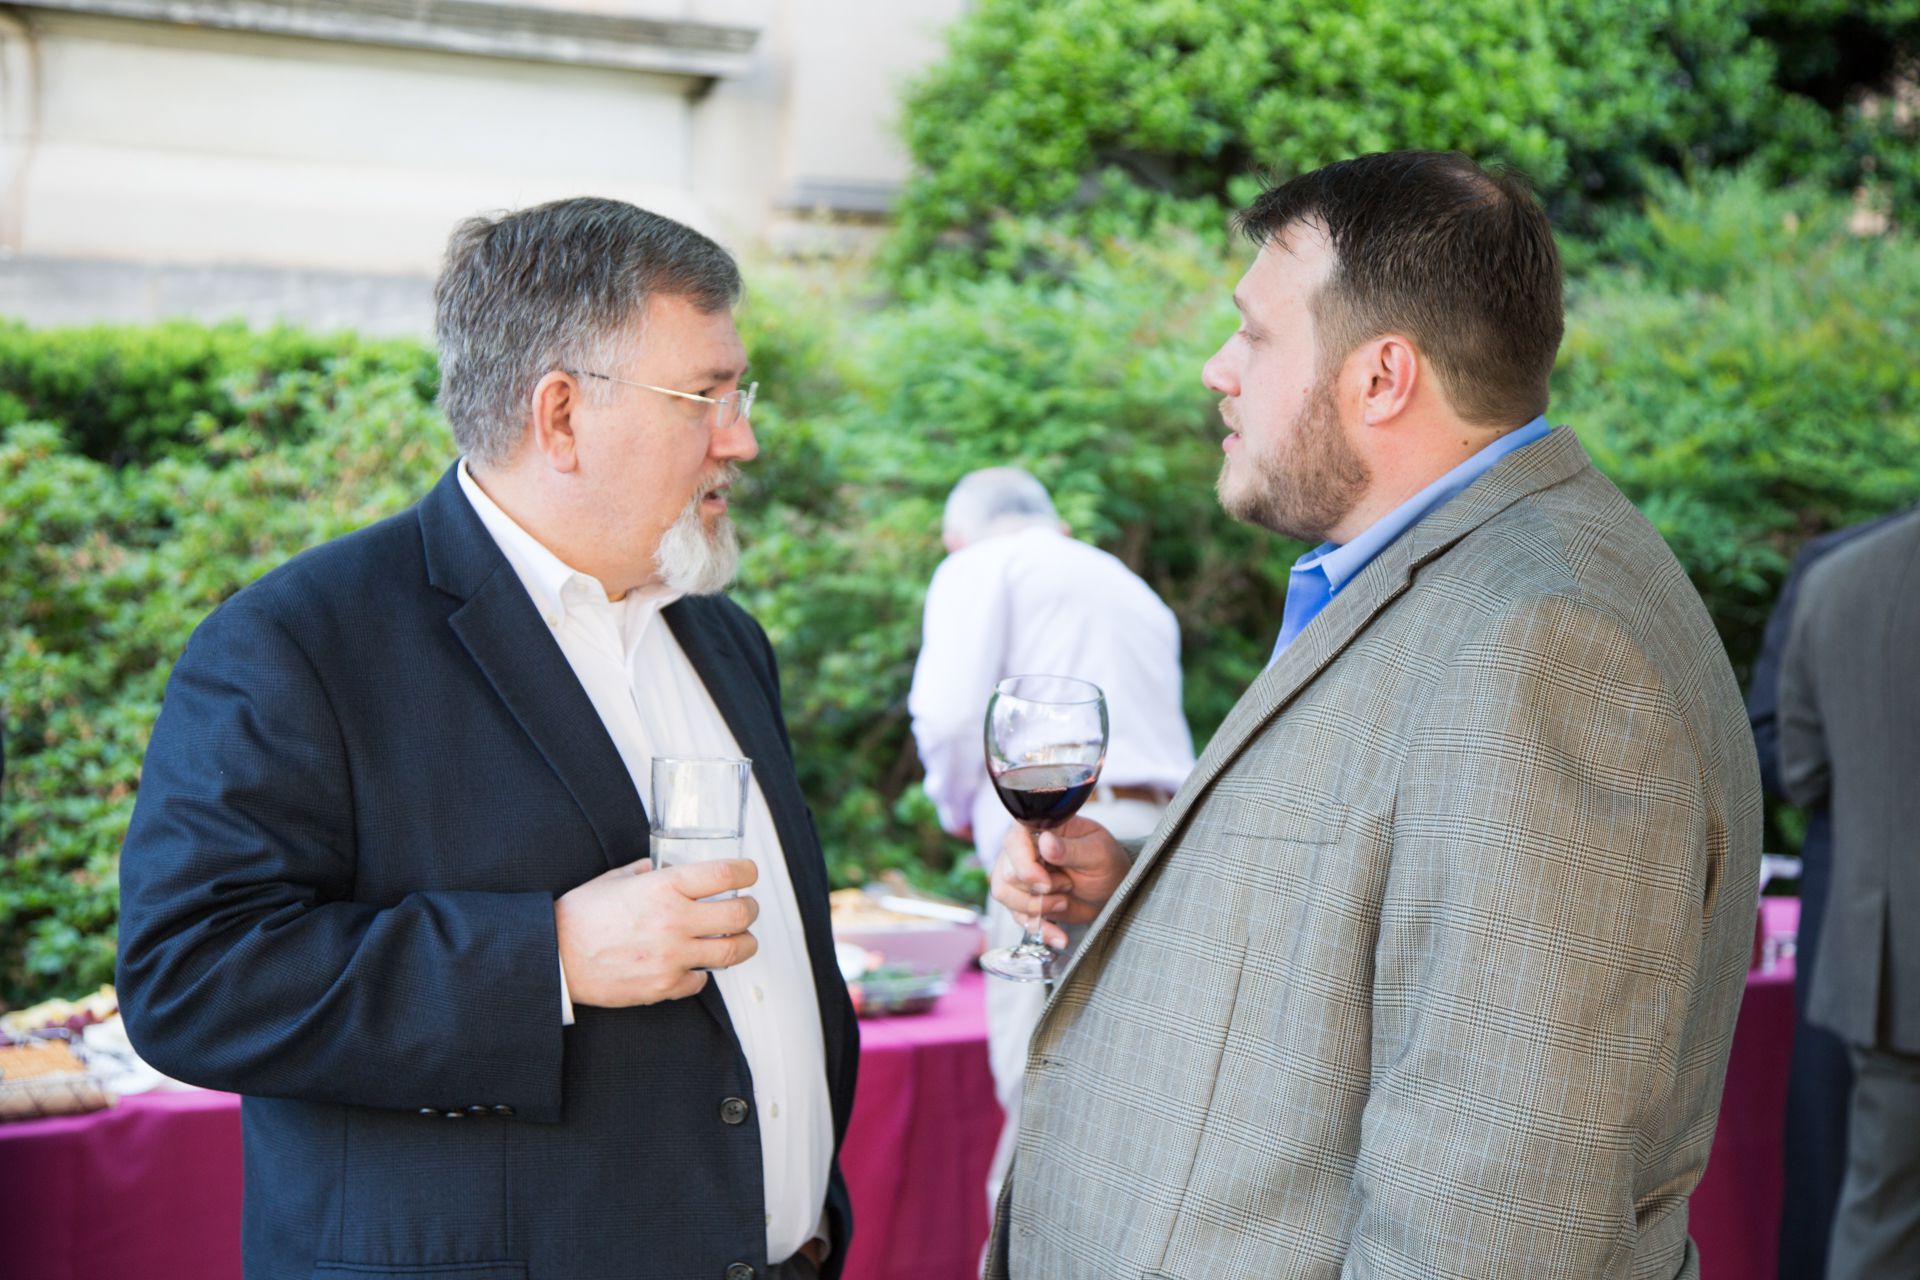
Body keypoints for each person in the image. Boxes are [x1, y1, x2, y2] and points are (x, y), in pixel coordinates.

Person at [987, 150, 1762, 1278]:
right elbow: (1397, 909)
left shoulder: (1548, 640)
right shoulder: (1454, 576)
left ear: (1383, 376)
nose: (1218, 369)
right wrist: (1155, 891)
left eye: (1254, 334)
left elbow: (1497, 1209)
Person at [116, 198, 857, 1280]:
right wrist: (545, 957)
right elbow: (191, 978)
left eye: (739, 394)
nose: (740, 437)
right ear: (561, 416)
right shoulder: (300, 642)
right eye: (706, 395)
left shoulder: (723, 637)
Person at [907, 466, 1195, 1217]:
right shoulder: (1127, 585)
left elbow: (949, 716)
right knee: (1142, 1099)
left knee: (1037, 1101)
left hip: (1059, 850)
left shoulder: (978, 564)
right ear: (1057, 524)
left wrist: (959, 810)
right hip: (1166, 847)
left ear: (956, 538)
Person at [1747, 506, 1912, 1279]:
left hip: (1888, 959)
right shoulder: (1838, 567)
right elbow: (1772, 745)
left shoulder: (1845, 576)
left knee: (1874, 1210)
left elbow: (1799, 765)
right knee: (1845, 1180)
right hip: (1868, 935)